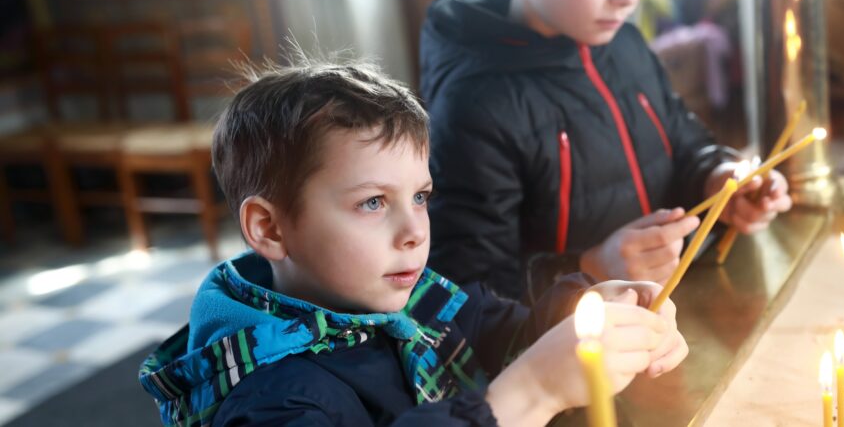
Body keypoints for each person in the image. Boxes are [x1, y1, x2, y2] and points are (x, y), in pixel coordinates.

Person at [138, 61, 687, 426]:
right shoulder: (274, 400)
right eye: (373, 202)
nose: (416, 231)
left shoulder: (415, 299)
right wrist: (534, 391)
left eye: (420, 197)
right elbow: (528, 376)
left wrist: (591, 311)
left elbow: (509, 334)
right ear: (270, 229)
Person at [420, 0, 792, 303]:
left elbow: (683, 143)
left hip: (672, 311)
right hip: (582, 341)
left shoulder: (625, 44)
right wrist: (589, 270)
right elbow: (466, 295)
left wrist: (720, 179)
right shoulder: (475, 104)